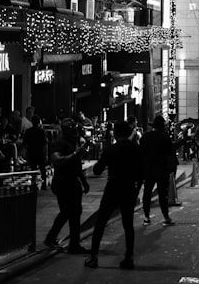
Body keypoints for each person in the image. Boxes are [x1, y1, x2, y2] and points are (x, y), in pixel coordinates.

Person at [85, 120, 143, 270]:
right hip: (129, 189)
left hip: (113, 188)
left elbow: (97, 170)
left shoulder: (112, 149)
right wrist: (137, 189)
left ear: (116, 134)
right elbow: (142, 172)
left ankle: (93, 257)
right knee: (128, 225)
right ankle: (128, 258)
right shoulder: (135, 149)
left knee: (101, 223)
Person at [44, 117, 90, 253]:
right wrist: (76, 153)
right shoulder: (60, 143)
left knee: (74, 213)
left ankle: (72, 243)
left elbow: (76, 165)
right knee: (68, 212)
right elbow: (58, 160)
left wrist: (83, 181)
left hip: (72, 181)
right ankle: (56, 239)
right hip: (63, 182)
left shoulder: (72, 142)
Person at [140, 116, 176, 226]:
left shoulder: (145, 137)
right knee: (162, 195)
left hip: (148, 169)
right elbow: (171, 154)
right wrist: (171, 169)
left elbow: (141, 153)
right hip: (161, 169)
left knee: (147, 193)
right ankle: (166, 217)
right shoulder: (165, 137)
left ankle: (146, 217)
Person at [23, 115, 49, 189]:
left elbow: (24, 143)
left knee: (33, 169)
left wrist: (27, 152)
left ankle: (33, 184)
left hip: (31, 151)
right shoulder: (41, 131)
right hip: (40, 152)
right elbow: (44, 144)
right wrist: (46, 154)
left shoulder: (28, 131)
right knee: (42, 169)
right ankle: (44, 185)